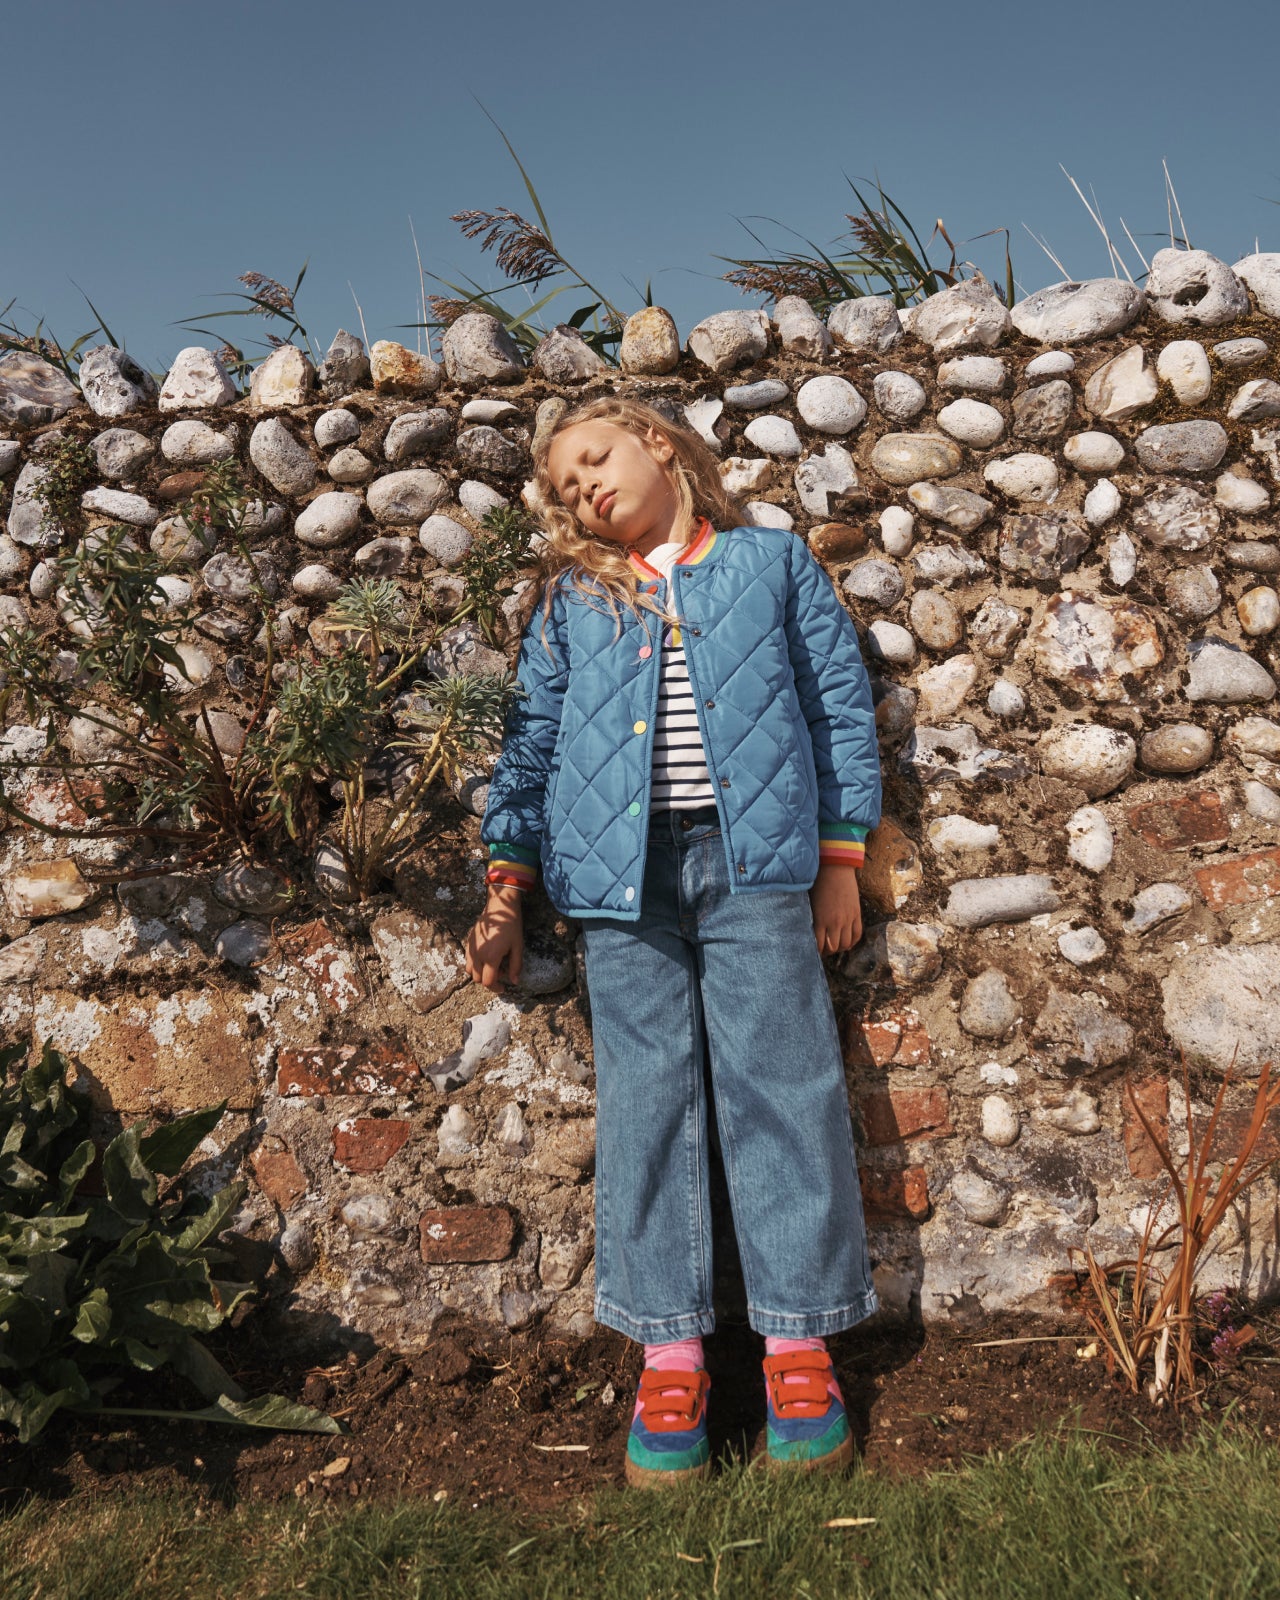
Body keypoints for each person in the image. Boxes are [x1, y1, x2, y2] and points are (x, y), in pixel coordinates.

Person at [464, 394, 882, 1487]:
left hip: (754, 869)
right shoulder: (570, 601)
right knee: (647, 1101)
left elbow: (837, 703)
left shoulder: (769, 565)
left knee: (782, 1086)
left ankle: (798, 1347)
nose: (584, 490)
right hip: (615, 884)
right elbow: (529, 742)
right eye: (565, 489)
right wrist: (506, 890)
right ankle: (669, 1354)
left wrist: (841, 860)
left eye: (593, 461)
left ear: (657, 443)